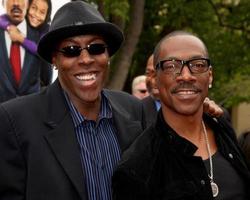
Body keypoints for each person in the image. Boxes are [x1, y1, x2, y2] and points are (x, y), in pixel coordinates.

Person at [0, 1, 145, 200]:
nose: (86, 59)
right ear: (54, 60)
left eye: (96, 48)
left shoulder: (134, 110)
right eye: (70, 50)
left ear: (107, 55)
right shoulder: (15, 120)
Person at [112, 31, 250, 199]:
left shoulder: (222, 129)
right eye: (171, 66)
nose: (186, 76)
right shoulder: (137, 167)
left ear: (210, 76)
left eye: (198, 65)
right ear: (155, 79)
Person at [0, 0, 52, 102]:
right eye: (34, 8)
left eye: (42, 12)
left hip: (32, 106)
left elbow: (46, 78)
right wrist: (9, 27)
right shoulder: (7, 25)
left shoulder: (44, 32)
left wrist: (21, 39)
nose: (36, 15)